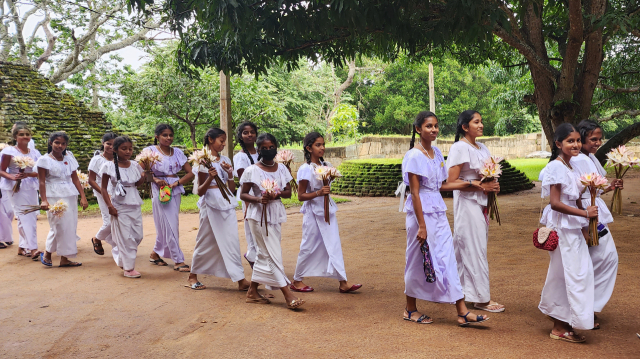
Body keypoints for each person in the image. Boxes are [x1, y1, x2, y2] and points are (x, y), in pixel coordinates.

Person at [403, 111, 489, 326]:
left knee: (447, 257)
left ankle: (462, 311)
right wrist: (421, 226)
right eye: (428, 126)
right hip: (420, 214)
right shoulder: (414, 156)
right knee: (417, 259)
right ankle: (409, 308)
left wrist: (473, 183)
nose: (434, 130)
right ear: (418, 130)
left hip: (438, 212)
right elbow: (414, 193)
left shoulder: (438, 153)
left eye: (436, 126)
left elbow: (443, 185)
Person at [539, 123, 598, 343]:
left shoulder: (571, 166)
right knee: (567, 274)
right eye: (570, 141)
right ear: (558, 144)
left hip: (573, 227)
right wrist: (584, 214)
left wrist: (584, 226)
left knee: (577, 273)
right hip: (562, 228)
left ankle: (565, 320)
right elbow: (555, 203)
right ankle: (558, 325)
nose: (575, 145)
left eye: (577, 141)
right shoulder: (556, 167)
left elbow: (573, 197)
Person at [446, 110, 504, 313]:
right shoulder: (459, 148)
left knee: (464, 250)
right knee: (473, 249)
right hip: (468, 203)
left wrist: (492, 184)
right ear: (465, 127)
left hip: (482, 203)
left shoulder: (482, 147)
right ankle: (481, 298)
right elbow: (451, 182)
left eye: (481, 122)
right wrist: (480, 186)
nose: (481, 125)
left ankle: (455, 290)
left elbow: (487, 174)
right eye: (476, 122)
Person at [291, 131, 362, 293]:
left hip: (327, 211)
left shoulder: (327, 165)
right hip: (312, 213)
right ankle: (297, 280)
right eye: (318, 145)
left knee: (334, 244)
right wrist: (318, 193)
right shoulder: (305, 169)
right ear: (309, 148)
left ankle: (343, 282)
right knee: (308, 245)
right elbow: (301, 196)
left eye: (323, 144)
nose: (322, 148)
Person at [239, 133, 305, 309]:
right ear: (259, 150)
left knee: (264, 254)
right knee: (271, 254)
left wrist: (275, 194)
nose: (268, 150)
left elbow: (288, 193)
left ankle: (252, 292)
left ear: (276, 147)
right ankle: (288, 294)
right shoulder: (252, 170)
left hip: (275, 214)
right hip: (257, 215)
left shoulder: (282, 169)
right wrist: (258, 199)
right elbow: (243, 194)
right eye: (264, 148)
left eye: (271, 147)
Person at [187, 128, 252, 291]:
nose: (223, 144)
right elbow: (200, 191)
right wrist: (210, 176)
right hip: (210, 204)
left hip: (226, 203)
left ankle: (240, 278)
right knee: (205, 240)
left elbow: (231, 188)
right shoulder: (202, 160)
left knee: (231, 240)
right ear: (210, 139)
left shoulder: (225, 159)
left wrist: (229, 174)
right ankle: (192, 275)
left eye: (224, 141)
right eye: (221, 140)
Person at [573, 119, 620, 326]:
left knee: (602, 258)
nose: (598, 142)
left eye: (600, 139)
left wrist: (609, 188)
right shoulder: (578, 159)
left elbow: (594, 188)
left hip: (594, 211)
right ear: (581, 138)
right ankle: (586, 307)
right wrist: (582, 217)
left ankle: (587, 306)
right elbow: (576, 191)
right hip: (587, 214)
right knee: (604, 258)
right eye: (593, 139)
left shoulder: (591, 157)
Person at [145, 124, 194, 272]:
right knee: (170, 223)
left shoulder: (177, 152)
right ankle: (178, 260)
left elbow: (191, 173)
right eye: (165, 135)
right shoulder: (150, 152)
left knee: (166, 223)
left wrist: (177, 183)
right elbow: (141, 172)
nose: (168, 138)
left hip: (175, 190)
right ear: (157, 136)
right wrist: (155, 180)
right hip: (159, 190)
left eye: (170, 135)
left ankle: (155, 254)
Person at [36, 132, 88, 267]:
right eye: (57, 143)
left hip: (69, 194)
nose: (60, 146)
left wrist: (83, 196)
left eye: (63, 143)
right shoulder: (44, 160)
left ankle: (65, 258)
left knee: (69, 226)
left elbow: (75, 178)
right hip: (53, 194)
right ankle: (47, 252)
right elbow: (41, 182)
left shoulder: (69, 158)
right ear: (50, 143)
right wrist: (44, 200)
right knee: (58, 225)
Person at [100, 136, 147, 278]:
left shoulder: (134, 165)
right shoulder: (108, 166)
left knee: (137, 235)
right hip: (119, 205)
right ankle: (128, 268)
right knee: (125, 237)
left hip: (134, 203)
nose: (128, 152)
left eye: (130, 149)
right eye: (124, 149)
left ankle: (121, 258)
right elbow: (103, 188)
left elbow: (137, 184)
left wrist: (145, 176)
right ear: (115, 150)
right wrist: (109, 205)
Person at [0, 123, 42, 258]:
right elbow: (1, 170)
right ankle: (33, 248)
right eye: (21, 134)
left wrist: (28, 174)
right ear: (15, 137)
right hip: (14, 186)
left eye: (27, 134)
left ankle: (22, 246)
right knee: (25, 215)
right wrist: (12, 176)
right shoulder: (8, 152)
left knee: (31, 215)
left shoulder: (35, 153)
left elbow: (40, 172)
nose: (25, 137)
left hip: (30, 186)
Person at [87, 132, 118, 259]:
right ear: (103, 144)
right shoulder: (97, 160)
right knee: (109, 220)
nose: (111, 147)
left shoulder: (118, 158)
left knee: (118, 219)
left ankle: (117, 245)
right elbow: (91, 180)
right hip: (102, 191)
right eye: (108, 144)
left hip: (117, 192)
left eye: (114, 144)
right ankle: (97, 238)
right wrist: (104, 193)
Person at [233, 121, 259, 267]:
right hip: (249, 195)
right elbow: (244, 181)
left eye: (252, 132)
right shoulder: (240, 157)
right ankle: (253, 255)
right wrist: (248, 203)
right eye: (245, 132)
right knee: (251, 227)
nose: (249, 135)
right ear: (241, 136)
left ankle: (257, 256)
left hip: (263, 195)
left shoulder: (262, 152)